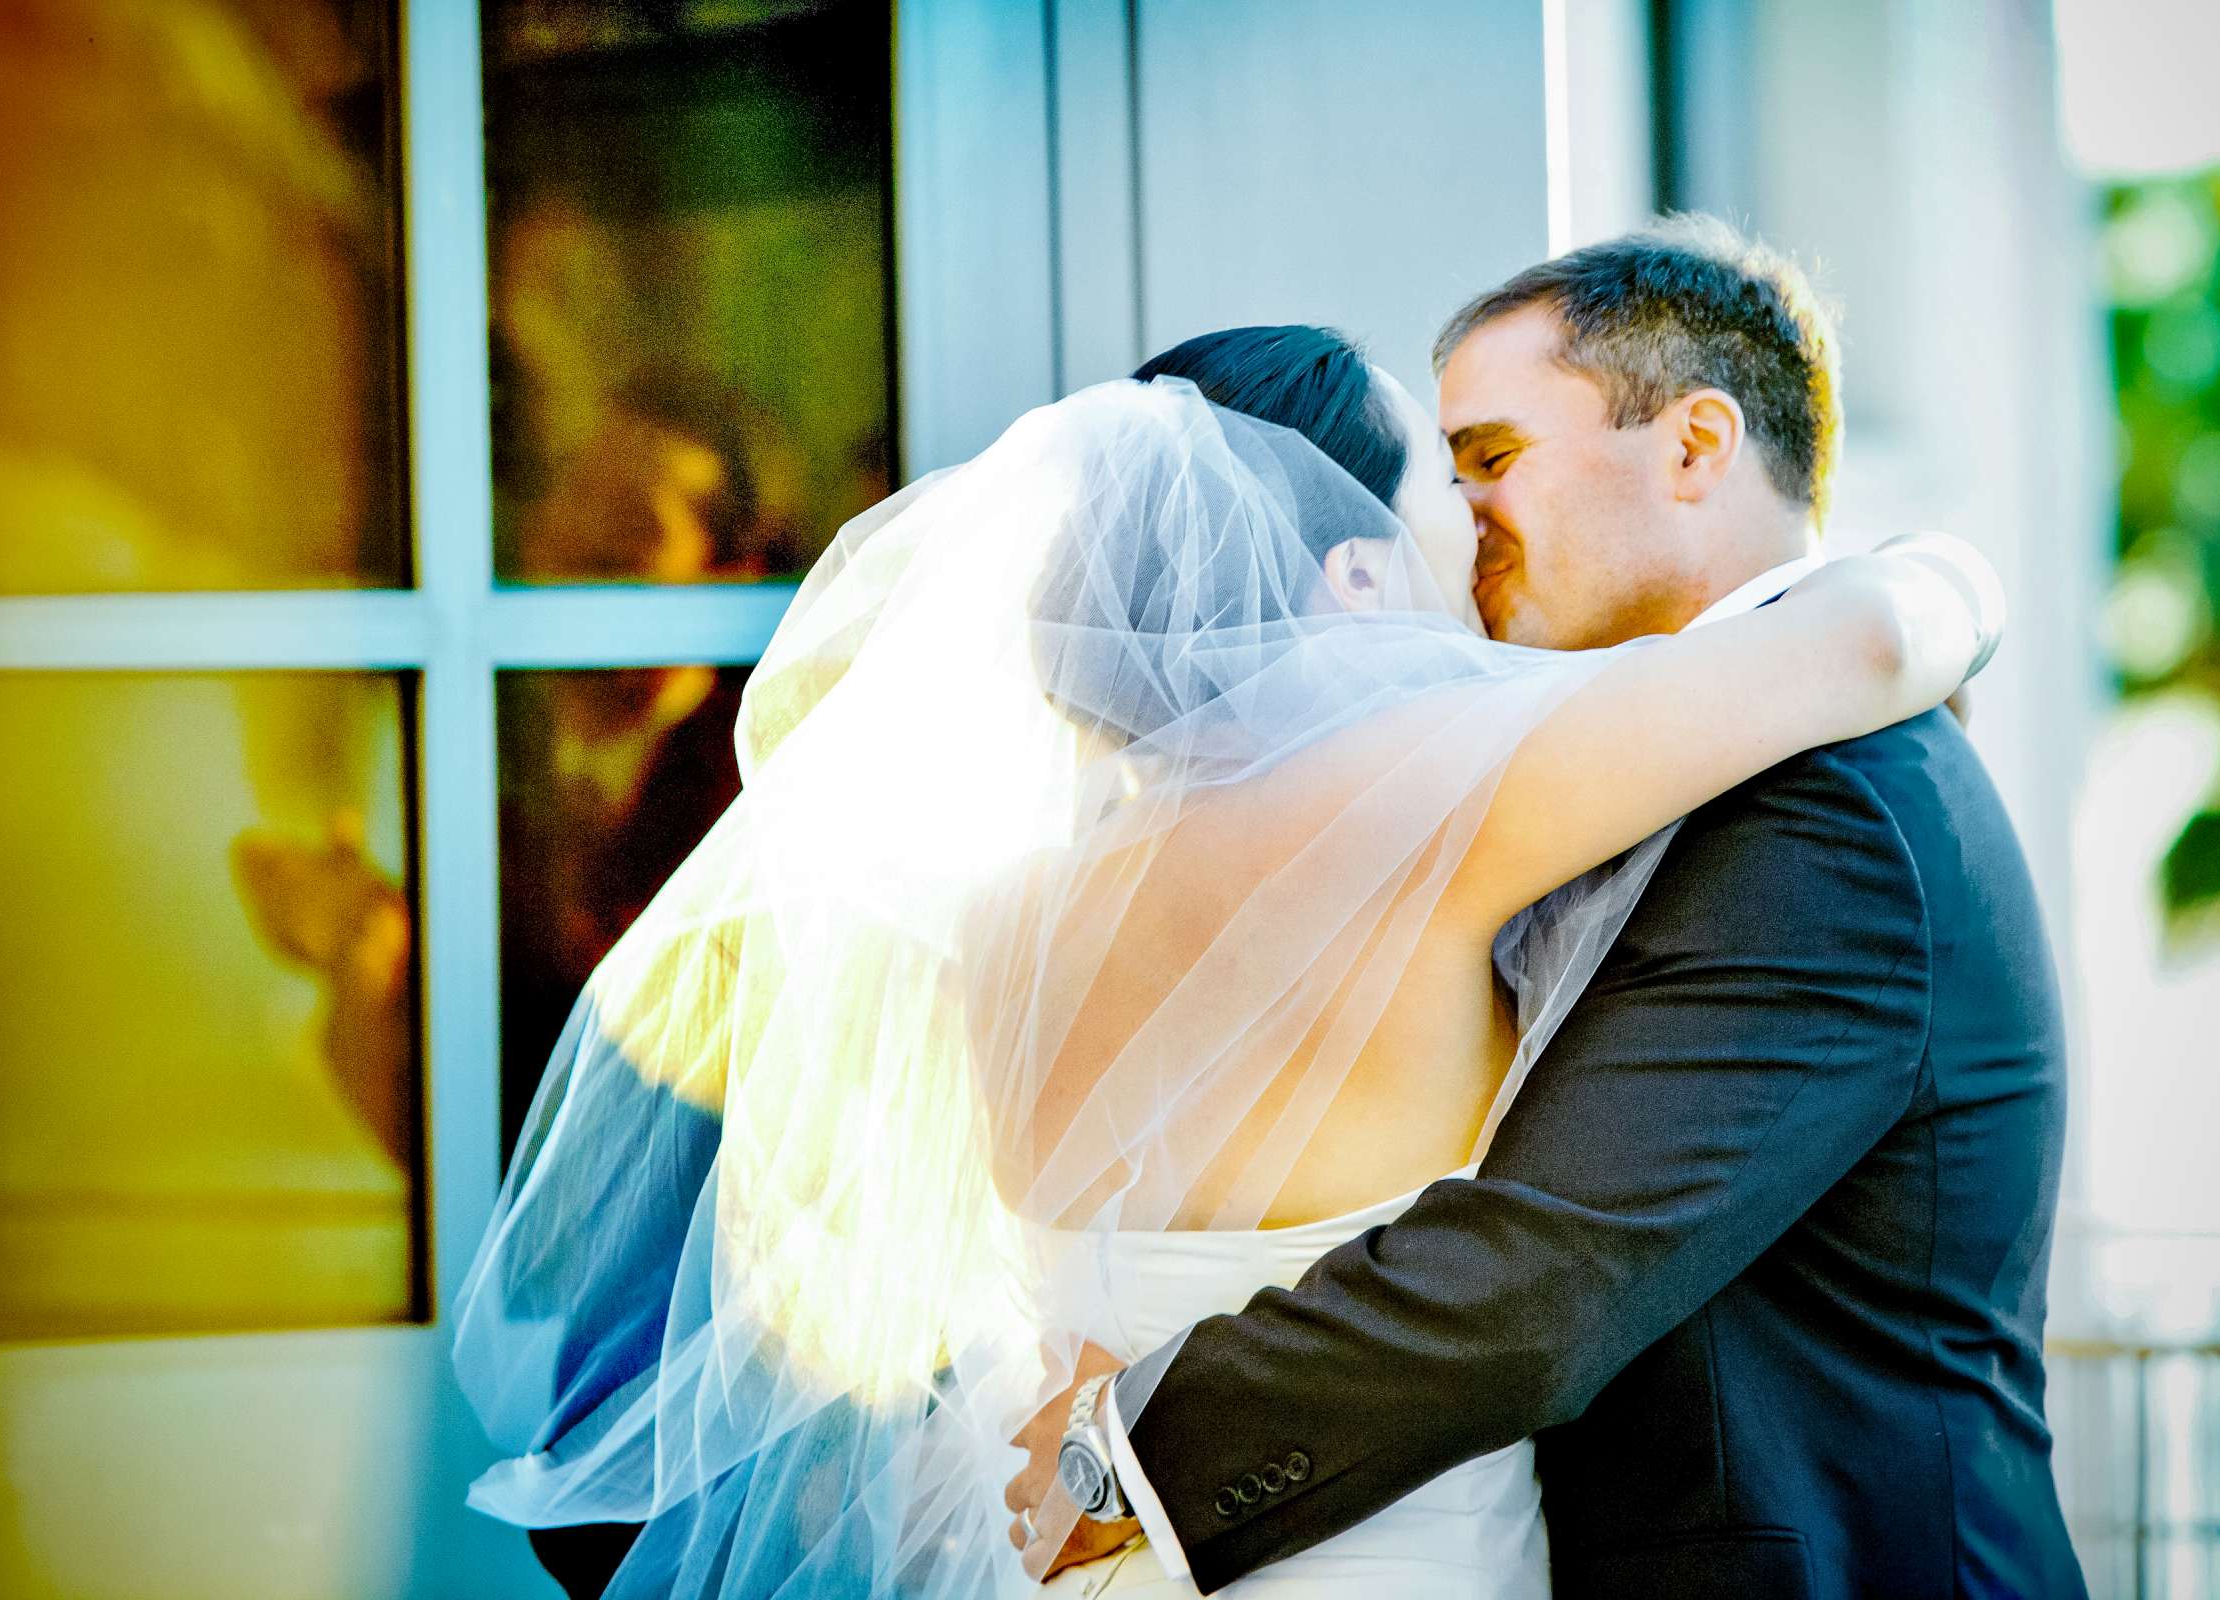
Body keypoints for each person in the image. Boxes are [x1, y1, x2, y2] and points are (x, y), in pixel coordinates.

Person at [453, 292, 2004, 1598]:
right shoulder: (1428, 800)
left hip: (1063, 1530)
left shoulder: (995, 897)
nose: (1466, 566)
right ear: (1346, 572)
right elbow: (1864, 643)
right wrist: (1960, 575)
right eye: (1431, 517)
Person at [1010, 218, 2084, 1599]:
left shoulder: (1831, 803)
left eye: (1495, 461)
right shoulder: (1540, 774)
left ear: (1696, 447)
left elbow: (1541, 1279)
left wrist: (1124, 1462)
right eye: (1446, 478)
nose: (1463, 521)